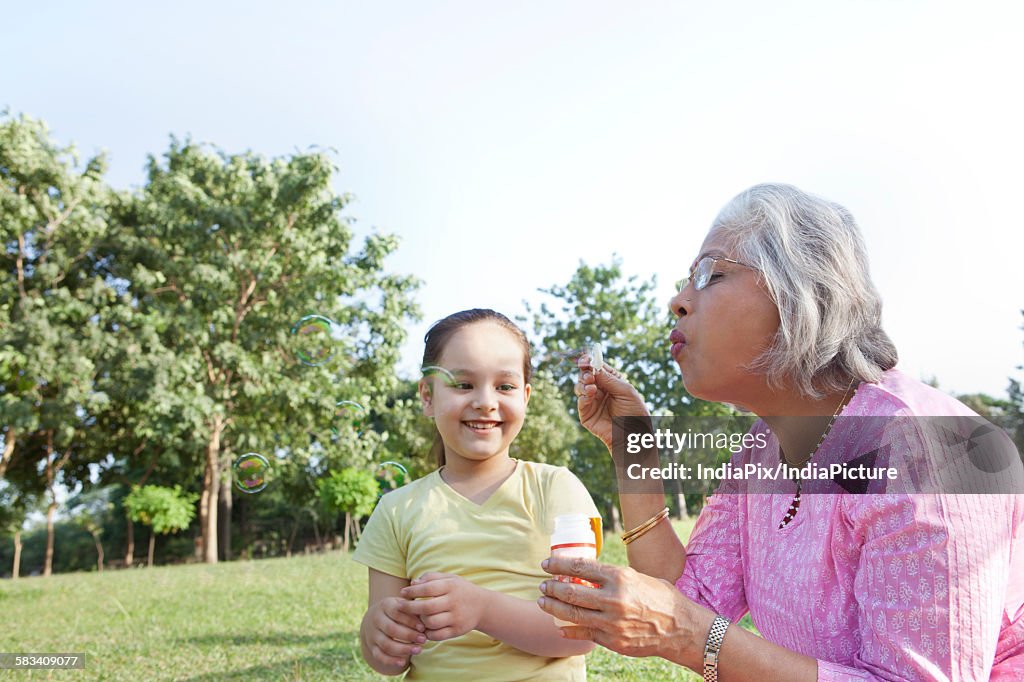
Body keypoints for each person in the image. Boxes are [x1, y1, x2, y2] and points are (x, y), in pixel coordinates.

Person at [536, 183, 1024, 680]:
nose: (676, 302)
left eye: (708, 273)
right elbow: (685, 598)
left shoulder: (929, 452)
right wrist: (631, 444)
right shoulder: (760, 451)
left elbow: (684, 622)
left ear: (801, 290)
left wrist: (686, 632)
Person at [354, 308, 599, 681]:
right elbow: (388, 659)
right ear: (427, 396)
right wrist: (379, 634)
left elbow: (581, 631)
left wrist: (482, 609)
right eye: (463, 384)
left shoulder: (556, 488)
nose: (485, 401)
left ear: (526, 397)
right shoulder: (396, 509)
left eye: (505, 386)